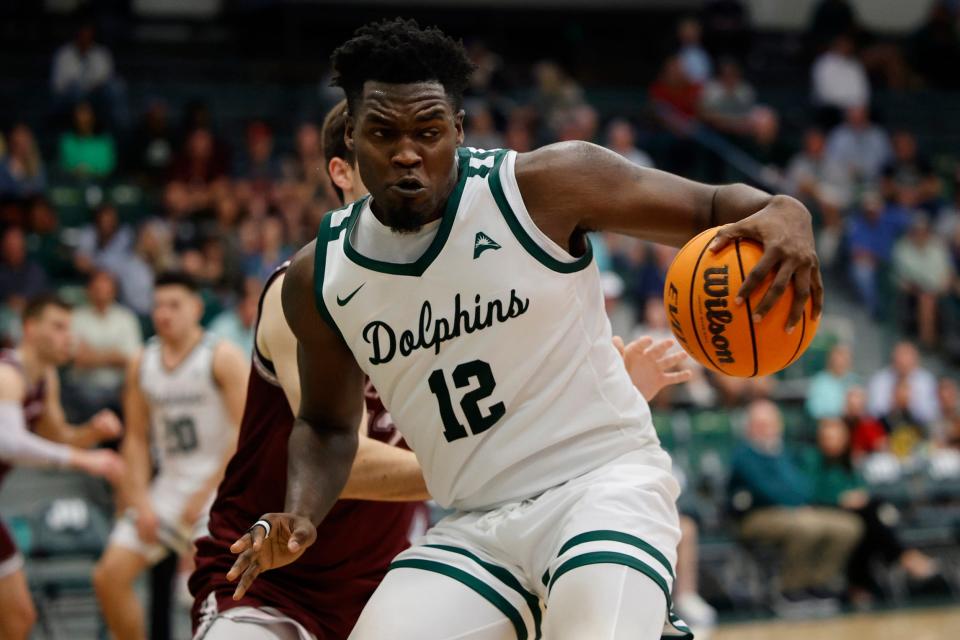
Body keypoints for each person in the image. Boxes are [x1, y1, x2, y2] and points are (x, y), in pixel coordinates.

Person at [231, 20, 822, 640]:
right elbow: (324, 426)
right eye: (384, 132)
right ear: (351, 138)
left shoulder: (545, 186)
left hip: (599, 485)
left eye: (428, 132)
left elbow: (709, 208)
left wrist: (787, 211)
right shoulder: (317, 278)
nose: (407, 152)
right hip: (474, 524)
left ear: (457, 130)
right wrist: (300, 513)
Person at [93, 272, 247, 640]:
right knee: (108, 577)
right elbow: (135, 439)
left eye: (174, 305)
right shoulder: (141, 361)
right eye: (158, 305)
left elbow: (247, 434)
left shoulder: (221, 356)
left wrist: (205, 493)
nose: (164, 313)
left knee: (217, 592)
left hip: (219, 486)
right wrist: (139, 500)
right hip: (169, 485)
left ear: (196, 308)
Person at [0, 295, 124, 640]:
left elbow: (58, 440)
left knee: (19, 616)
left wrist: (91, 432)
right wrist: (87, 461)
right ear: (29, 328)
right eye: (57, 326)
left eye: (69, 328)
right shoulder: (7, 373)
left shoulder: (47, 378)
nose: (66, 336)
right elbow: (8, 443)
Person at [729, 400, 862, 606]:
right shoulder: (744, 455)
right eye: (760, 423)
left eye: (770, 423)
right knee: (807, 526)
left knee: (847, 526)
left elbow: (805, 486)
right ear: (749, 427)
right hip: (757, 516)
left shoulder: (785, 452)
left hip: (796, 512)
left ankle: (819, 583)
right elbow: (766, 491)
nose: (766, 428)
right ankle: (790, 588)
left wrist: (798, 501)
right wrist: (796, 502)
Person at [801, 418, 936, 604]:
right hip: (823, 510)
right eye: (828, 437)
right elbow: (809, 490)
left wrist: (856, 497)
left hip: (853, 512)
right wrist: (840, 499)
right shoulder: (811, 459)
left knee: (868, 519)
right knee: (870, 515)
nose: (832, 441)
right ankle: (903, 557)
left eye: (837, 437)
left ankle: (860, 585)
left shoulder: (848, 461)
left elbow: (861, 487)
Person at [65, 270, 143, 417]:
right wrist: (112, 354)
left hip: (118, 388)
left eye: (107, 289)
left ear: (114, 291)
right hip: (82, 388)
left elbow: (131, 359)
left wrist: (92, 354)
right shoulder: (75, 317)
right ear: (88, 290)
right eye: (97, 289)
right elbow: (78, 358)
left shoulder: (126, 318)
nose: (101, 293)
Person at [892, 216, 955, 347]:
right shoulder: (902, 248)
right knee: (926, 299)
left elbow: (949, 269)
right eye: (917, 231)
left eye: (923, 231)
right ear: (911, 232)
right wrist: (916, 288)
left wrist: (947, 282)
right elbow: (901, 278)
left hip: (942, 288)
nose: (920, 234)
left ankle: (948, 340)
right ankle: (928, 341)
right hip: (916, 292)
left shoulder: (938, 245)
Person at [867, 341, 940, 426]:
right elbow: (873, 411)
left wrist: (909, 404)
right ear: (893, 360)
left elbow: (931, 413)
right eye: (900, 359)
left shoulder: (926, 381)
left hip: (919, 428)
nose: (904, 363)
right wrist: (893, 404)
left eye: (908, 359)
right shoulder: (879, 380)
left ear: (916, 361)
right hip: (886, 427)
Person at [805, 343, 858, 419]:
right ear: (831, 359)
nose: (842, 361)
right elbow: (814, 410)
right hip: (828, 424)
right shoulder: (819, 382)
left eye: (845, 357)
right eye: (839, 356)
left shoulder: (855, 380)